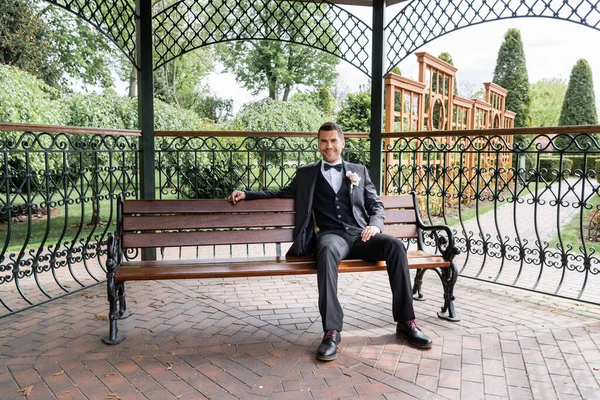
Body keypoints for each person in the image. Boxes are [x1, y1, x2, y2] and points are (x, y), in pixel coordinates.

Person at [228, 122, 432, 361]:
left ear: (342, 143)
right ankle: (331, 331)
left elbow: (376, 205)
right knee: (324, 251)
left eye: (334, 141)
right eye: (324, 141)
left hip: (360, 235)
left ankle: (406, 322)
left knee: (395, 246)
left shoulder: (359, 170)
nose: (329, 146)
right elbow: (281, 193)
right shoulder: (306, 173)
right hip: (331, 236)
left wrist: (374, 226)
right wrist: (247, 194)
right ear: (318, 144)